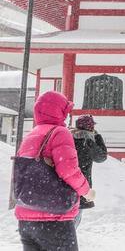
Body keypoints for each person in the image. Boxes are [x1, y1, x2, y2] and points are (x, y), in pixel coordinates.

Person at [14, 91, 95, 251]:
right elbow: (68, 170)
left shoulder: (31, 134)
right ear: (60, 111)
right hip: (54, 218)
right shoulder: (59, 132)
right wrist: (86, 192)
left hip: (26, 217)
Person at [71, 114, 107, 228]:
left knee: (65, 215)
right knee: (75, 217)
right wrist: (97, 138)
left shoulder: (68, 137)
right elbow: (101, 157)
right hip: (81, 184)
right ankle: (65, 240)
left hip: (65, 181)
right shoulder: (88, 142)